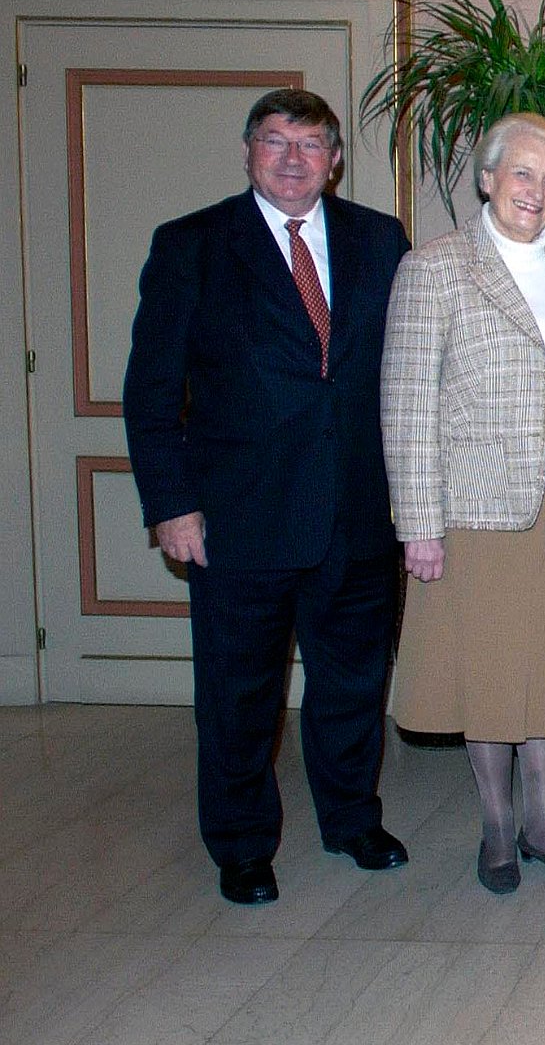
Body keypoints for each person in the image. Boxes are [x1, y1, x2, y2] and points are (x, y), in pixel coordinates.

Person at [123, 87, 410, 906]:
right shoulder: (193, 245)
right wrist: (171, 505)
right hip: (238, 518)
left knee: (353, 684)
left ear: (336, 158)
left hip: (356, 514)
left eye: (312, 144)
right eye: (277, 141)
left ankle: (353, 817)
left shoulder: (379, 239)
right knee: (239, 694)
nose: (294, 160)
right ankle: (243, 844)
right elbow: (152, 392)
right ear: (248, 151)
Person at [380, 114, 545, 894]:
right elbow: (407, 401)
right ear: (487, 178)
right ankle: (496, 827)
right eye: (523, 174)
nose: (537, 192)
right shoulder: (435, 268)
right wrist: (419, 523)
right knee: (489, 674)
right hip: (476, 507)